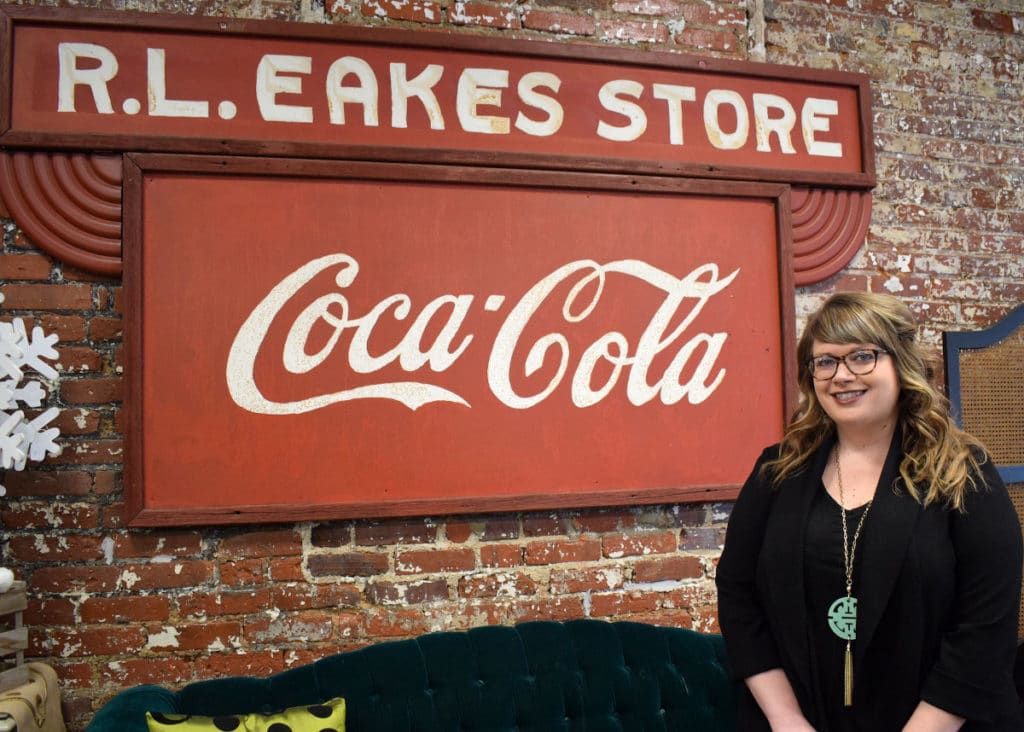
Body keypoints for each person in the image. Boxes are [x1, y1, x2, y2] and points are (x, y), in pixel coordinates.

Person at [715, 292, 1024, 731]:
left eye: (862, 356)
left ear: (900, 363)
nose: (841, 376)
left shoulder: (962, 472)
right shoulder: (777, 471)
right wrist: (786, 719)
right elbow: (737, 594)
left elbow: (986, 624)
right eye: (825, 362)